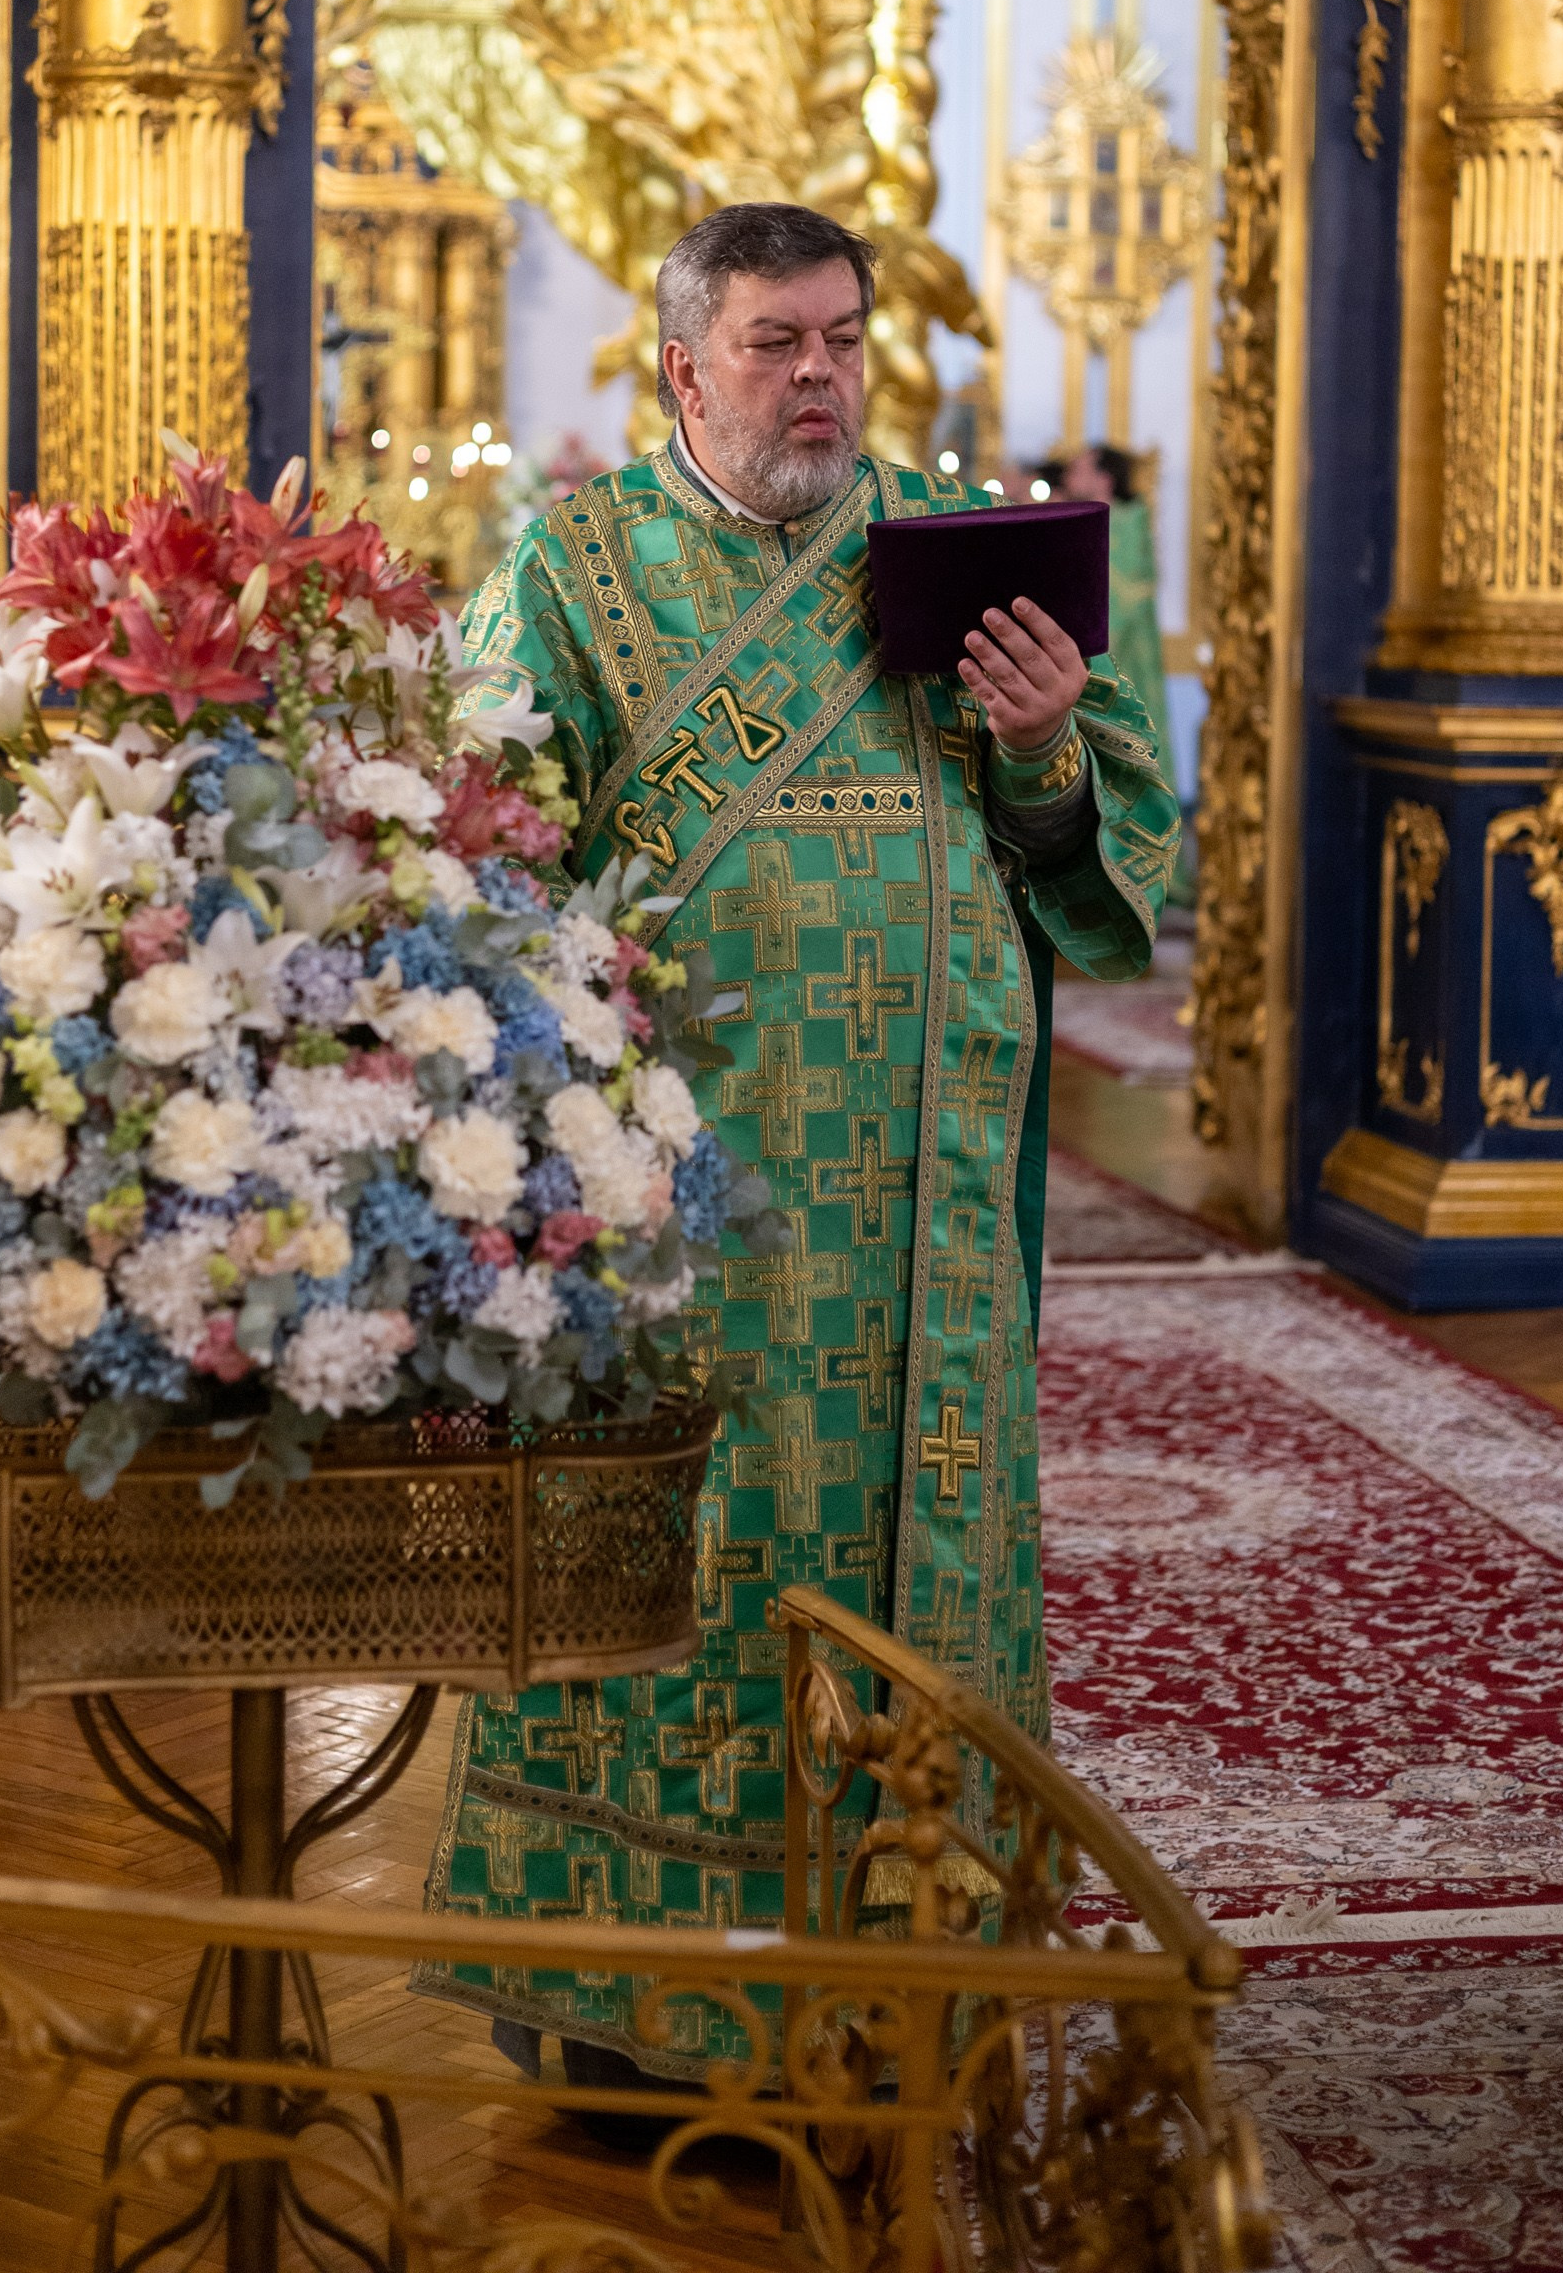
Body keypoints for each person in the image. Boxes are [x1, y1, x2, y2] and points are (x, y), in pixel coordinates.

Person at [416, 202, 1178, 2086]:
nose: (822, 373)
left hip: (920, 1188)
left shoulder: (965, 557)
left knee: (909, 1543)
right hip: (674, 1201)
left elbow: (1106, 857)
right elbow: (479, 859)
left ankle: (907, 1972)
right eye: (777, 342)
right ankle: (641, 2008)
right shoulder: (575, 572)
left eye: (843, 338)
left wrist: (1042, 738)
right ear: (686, 364)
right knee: (681, 1552)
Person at [1056, 443, 1177, 802]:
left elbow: (1120, 599)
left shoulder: (1125, 520)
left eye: (1078, 468)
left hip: (1121, 659)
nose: (1068, 476)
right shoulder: (1086, 519)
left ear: (1104, 478)